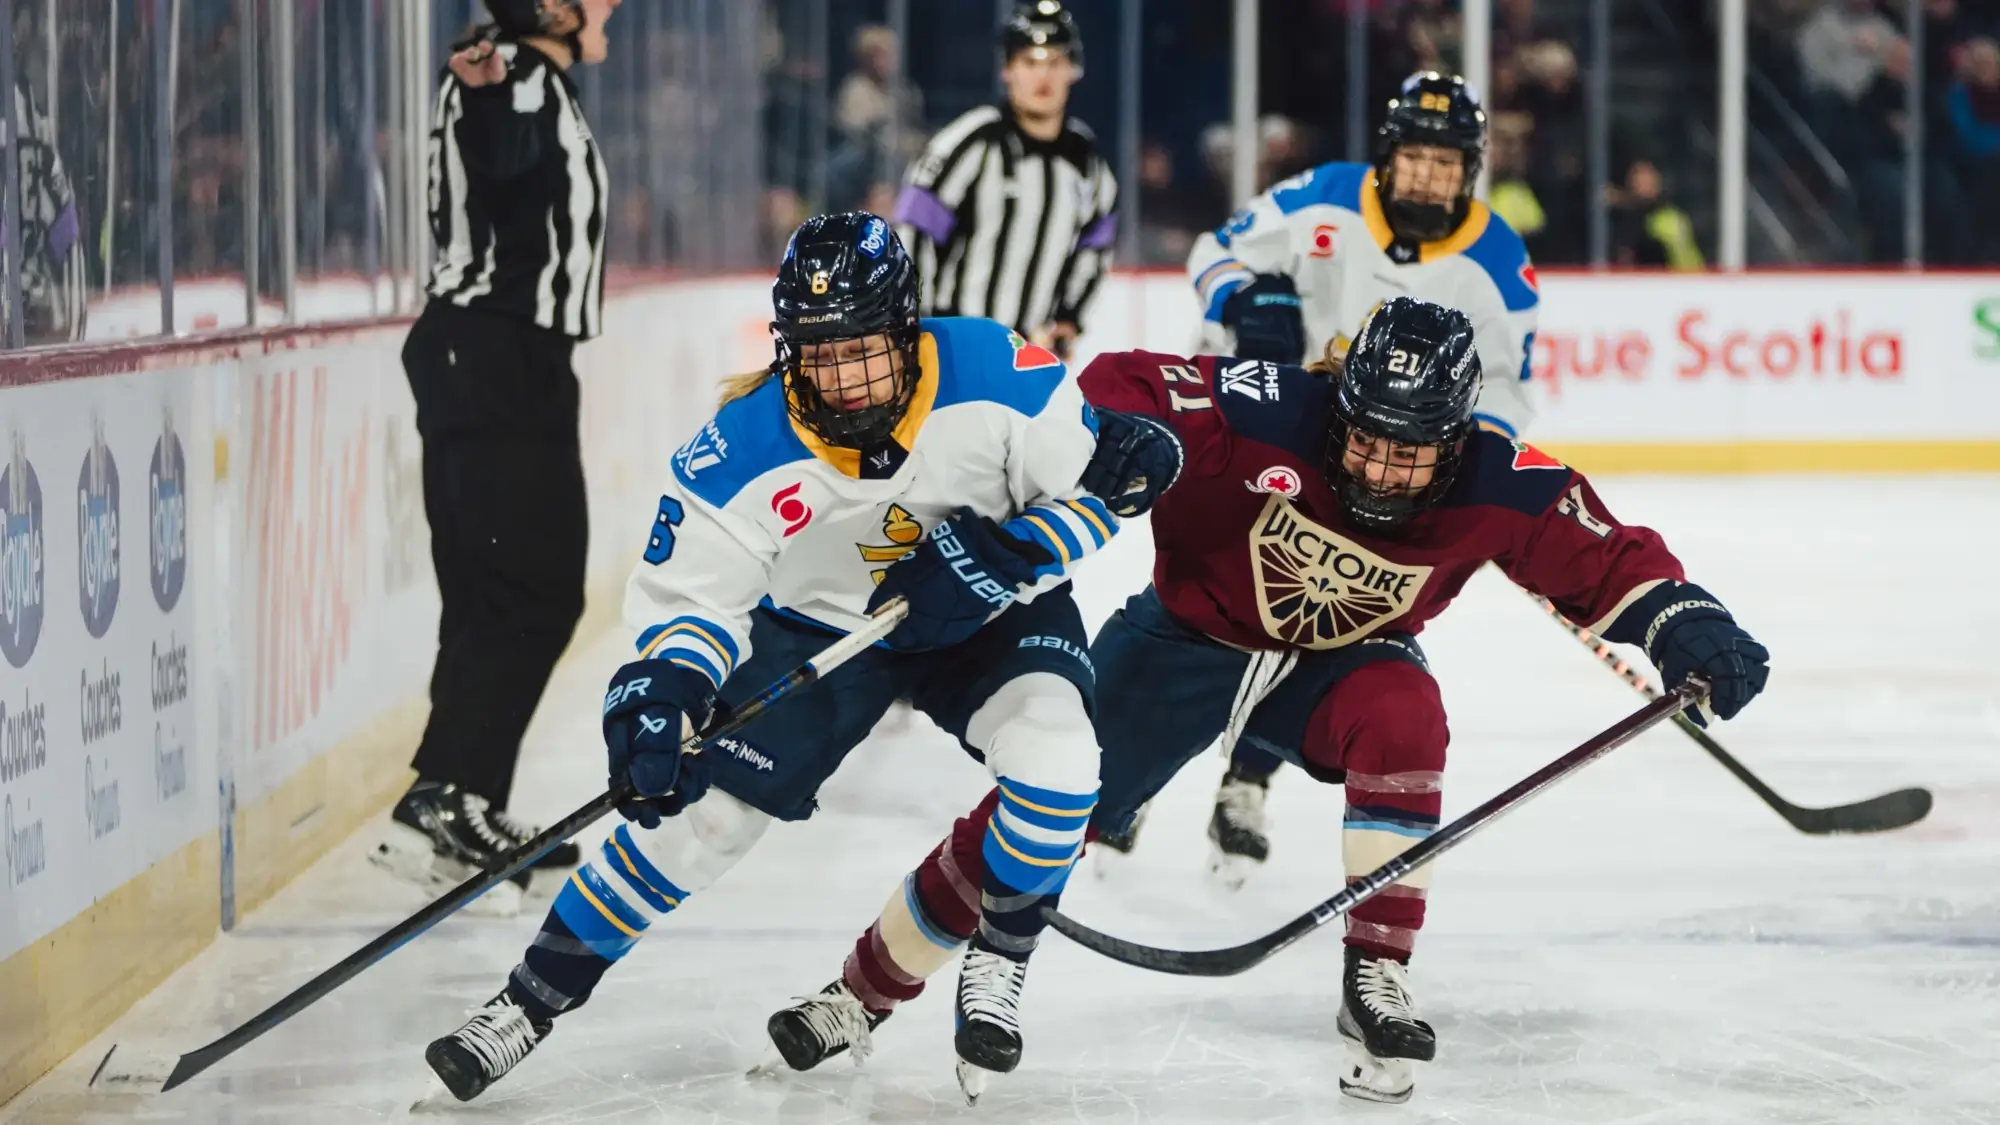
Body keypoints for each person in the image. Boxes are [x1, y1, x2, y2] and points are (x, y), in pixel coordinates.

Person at [779, 296, 1770, 1104]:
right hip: (1181, 641)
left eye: (1408, 453)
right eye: (1365, 442)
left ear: (1455, 439)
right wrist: (1123, 441)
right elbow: (1118, 382)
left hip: (1343, 664)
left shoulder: (1495, 477)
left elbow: (1605, 556)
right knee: (1042, 805)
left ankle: (1374, 975)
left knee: (1404, 716)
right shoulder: (1262, 405)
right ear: (1335, 406)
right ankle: (859, 991)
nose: (1381, 468)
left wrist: (1685, 622)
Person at [422, 212, 1150, 1104]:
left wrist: (1001, 557)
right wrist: (663, 695)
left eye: (863, 350)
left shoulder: (995, 371)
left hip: (994, 617)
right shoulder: (742, 444)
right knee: (702, 820)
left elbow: (1102, 486)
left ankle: (1000, 962)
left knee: (1063, 764)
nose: (841, 378)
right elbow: (693, 603)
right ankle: (525, 1003)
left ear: (908, 330)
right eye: (819, 352)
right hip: (825, 629)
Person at [1178, 71, 1541, 881]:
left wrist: (1473, 459)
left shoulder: (1497, 257)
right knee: (1231, 604)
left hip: (1396, 473)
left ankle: (1243, 780)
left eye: (1448, 165)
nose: (1429, 178)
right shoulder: (1325, 198)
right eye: (1417, 158)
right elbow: (1215, 251)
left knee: (1336, 618)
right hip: (1291, 441)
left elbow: (1511, 383)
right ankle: (1143, 762)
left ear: (1471, 173)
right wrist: (1244, 305)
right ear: (1388, 154)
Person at [370, 0, 617, 917]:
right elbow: (502, 159)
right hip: (495, 353)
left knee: (497, 589)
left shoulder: (529, 77)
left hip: (502, 357)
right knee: (531, 589)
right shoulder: (508, 72)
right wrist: (486, 96)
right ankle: (447, 796)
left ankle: (458, 800)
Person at [892, 1, 1119, 359]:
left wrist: (1070, 317)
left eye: (1055, 62)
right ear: (1008, 70)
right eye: (1030, 62)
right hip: (954, 349)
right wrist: (919, 324)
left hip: (1030, 358)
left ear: (1073, 70)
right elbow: (913, 235)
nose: (1042, 76)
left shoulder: (1088, 163)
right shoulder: (968, 143)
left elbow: (1095, 249)